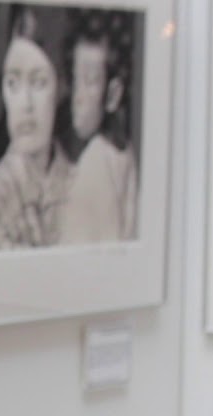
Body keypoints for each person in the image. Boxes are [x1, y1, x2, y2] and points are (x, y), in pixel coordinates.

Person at [0, 6, 73, 252]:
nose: (24, 103)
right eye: (13, 83)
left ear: (61, 90)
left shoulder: (81, 182)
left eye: (39, 82)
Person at [59, 11, 138, 244]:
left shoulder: (96, 162)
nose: (77, 96)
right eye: (74, 79)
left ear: (113, 95)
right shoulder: (122, 151)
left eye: (90, 81)